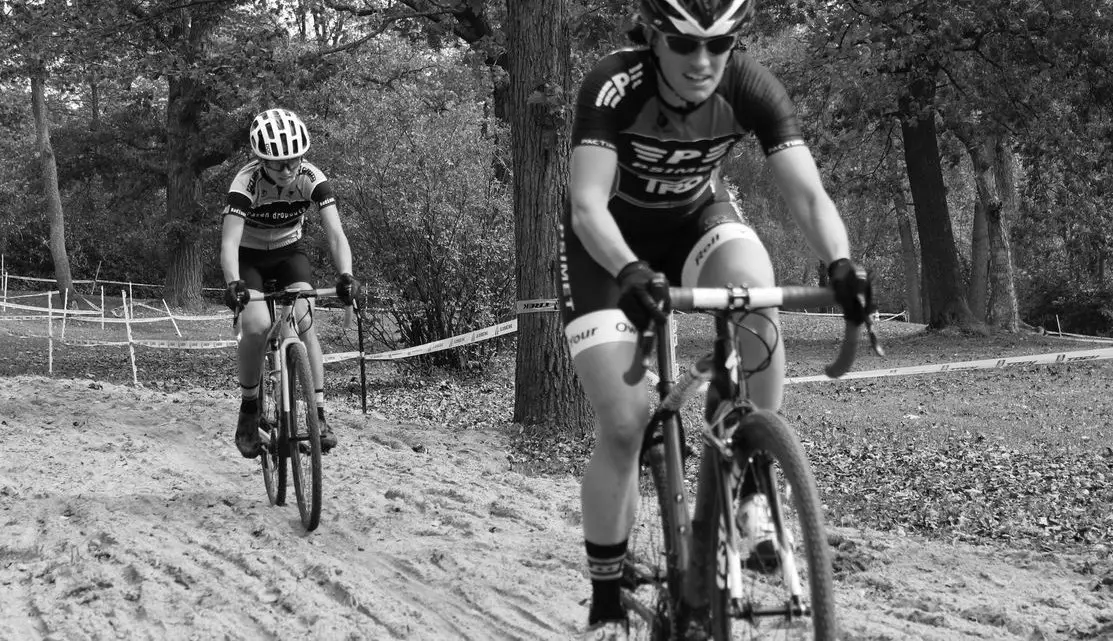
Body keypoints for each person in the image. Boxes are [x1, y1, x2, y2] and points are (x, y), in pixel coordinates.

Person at [559, 1, 872, 639]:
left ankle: (753, 468)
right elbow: (588, 205)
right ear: (652, 37)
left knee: (755, 296)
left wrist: (841, 263)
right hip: (609, 246)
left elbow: (808, 194)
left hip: (698, 220)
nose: (704, 61)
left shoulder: (750, 85)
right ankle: (607, 582)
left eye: (721, 44)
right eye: (685, 45)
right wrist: (627, 270)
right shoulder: (614, 84)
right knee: (624, 423)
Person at [220, 108, 359, 459]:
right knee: (257, 326)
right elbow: (229, 244)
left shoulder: (312, 177)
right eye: (278, 164)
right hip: (249, 256)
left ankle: (319, 414)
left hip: (287, 252)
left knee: (304, 318)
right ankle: (249, 408)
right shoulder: (245, 183)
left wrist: (346, 275)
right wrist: (234, 283)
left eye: (294, 160)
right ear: (260, 160)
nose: (288, 169)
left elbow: (336, 233)